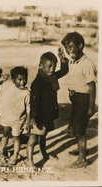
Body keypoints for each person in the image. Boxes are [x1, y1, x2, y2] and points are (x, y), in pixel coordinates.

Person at [61, 32, 97, 168]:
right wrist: (63, 60)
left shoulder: (87, 64)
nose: (69, 50)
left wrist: (91, 107)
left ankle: (83, 159)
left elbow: (92, 87)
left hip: (84, 100)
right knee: (77, 126)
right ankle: (81, 149)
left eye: (71, 46)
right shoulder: (73, 60)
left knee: (79, 130)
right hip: (76, 100)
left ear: (80, 46)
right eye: (66, 47)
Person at [29, 51, 68, 168]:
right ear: (41, 66)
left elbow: (64, 71)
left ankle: (43, 152)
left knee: (44, 135)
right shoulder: (37, 82)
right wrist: (33, 116)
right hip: (39, 115)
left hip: (48, 113)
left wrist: (63, 60)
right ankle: (29, 160)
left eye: (54, 66)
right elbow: (34, 102)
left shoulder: (51, 77)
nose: (52, 69)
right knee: (34, 138)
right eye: (49, 66)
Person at [0, 66, 30, 165]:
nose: (22, 82)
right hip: (6, 116)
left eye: (24, 79)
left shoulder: (27, 93)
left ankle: (15, 155)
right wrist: (1, 79)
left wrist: (27, 122)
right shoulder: (7, 85)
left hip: (18, 120)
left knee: (16, 137)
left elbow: (28, 109)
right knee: (5, 133)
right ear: (13, 80)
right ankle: (2, 150)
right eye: (19, 79)